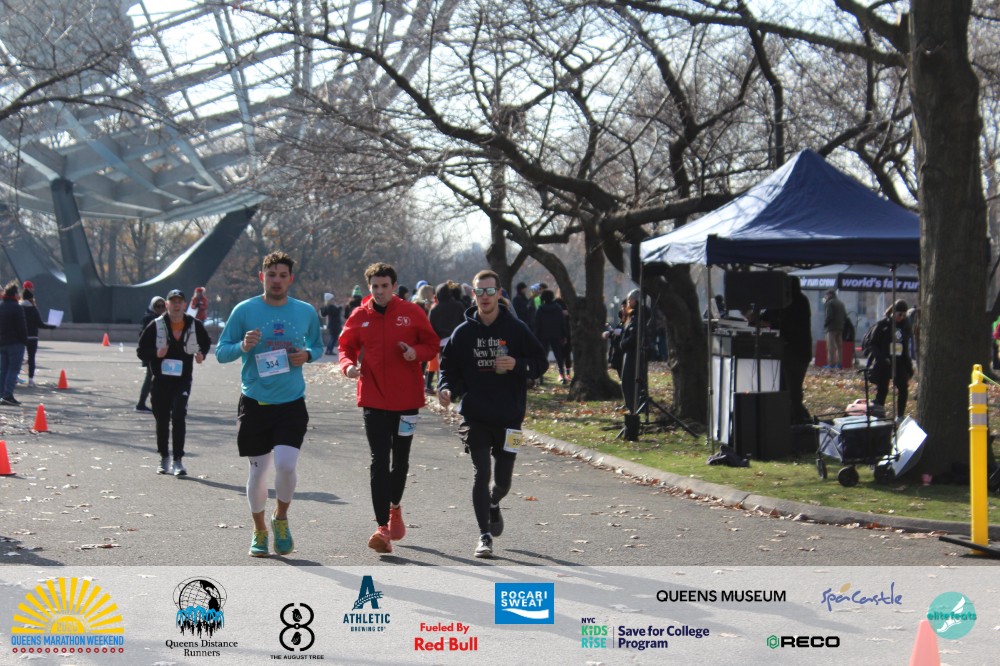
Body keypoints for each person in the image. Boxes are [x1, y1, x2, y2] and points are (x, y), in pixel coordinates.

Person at [215, 251, 324, 558]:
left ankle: (281, 518)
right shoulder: (244, 310)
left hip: (291, 402)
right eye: (271, 275)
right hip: (255, 402)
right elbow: (221, 352)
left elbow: (318, 345)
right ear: (262, 277)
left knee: (287, 466)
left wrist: (308, 355)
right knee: (259, 472)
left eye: (282, 275)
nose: (277, 280)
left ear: (291, 279)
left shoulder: (305, 311)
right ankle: (260, 530)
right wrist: (242, 346)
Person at [437, 270, 547, 558]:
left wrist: (517, 364)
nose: (484, 297)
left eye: (489, 291)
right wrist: (446, 389)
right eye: (479, 292)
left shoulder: (516, 328)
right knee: (481, 473)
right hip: (475, 416)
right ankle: (484, 536)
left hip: (511, 418)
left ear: (499, 294)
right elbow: (448, 369)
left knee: (503, 482)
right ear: (473, 295)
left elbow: (540, 362)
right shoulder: (463, 333)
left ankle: (494, 502)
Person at [339, 262, 439, 555]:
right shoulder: (360, 315)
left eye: (385, 286)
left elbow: (432, 345)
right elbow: (345, 347)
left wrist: (415, 353)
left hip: (407, 400)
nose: (380, 291)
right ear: (369, 287)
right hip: (373, 398)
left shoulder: (412, 312)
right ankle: (382, 527)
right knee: (379, 460)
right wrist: (348, 366)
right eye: (375, 287)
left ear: (394, 286)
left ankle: (395, 507)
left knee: (401, 460)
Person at [137, 289, 211, 477]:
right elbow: (141, 350)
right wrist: (156, 353)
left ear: (184, 305)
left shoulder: (193, 324)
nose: (176, 305)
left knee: (179, 415)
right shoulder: (156, 325)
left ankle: (178, 460)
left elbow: (205, 342)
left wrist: (201, 354)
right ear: (167, 304)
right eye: (173, 301)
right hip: (161, 381)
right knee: (162, 420)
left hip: (182, 380)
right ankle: (164, 457)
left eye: (180, 302)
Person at [763, 277, 813, 424]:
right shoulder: (789, 301)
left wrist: (769, 322)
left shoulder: (797, 302)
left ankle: (798, 421)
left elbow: (789, 324)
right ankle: (794, 419)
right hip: (792, 351)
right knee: (788, 390)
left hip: (796, 352)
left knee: (793, 391)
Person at [868, 299, 914, 420]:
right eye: (899, 314)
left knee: (903, 388)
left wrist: (909, 367)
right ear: (893, 312)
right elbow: (873, 343)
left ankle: (900, 416)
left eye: (904, 315)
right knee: (882, 389)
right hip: (885, 362)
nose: (901, 317)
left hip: (899, 362)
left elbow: (905, 349)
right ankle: (879, 415)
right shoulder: (883, 324)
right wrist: (882, 358)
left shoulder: (905, 326)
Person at [428, 281, 465, 394]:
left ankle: (445, 389)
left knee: (444, 367)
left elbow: (431, 328)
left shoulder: (434, 310)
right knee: (459, 365)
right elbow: (464, 322)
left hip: (442, 342)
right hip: (458, 339)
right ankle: (459, 390)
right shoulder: (458, 305)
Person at [20, 287, 57, 387]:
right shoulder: (33, 309)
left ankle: (15, 377)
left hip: (21, 337)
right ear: (31, 298)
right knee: (31, 358)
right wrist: (51, 326)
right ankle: (30, 380)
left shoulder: (19, 308)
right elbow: (40, 324)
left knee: (18, 358)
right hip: (33, 337)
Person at [136, 296, 166, 412]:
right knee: (150, 378)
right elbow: (143, 338)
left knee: (158, 378)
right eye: (158, 306)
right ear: (153, 307)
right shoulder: (149, 319)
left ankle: (154, 403)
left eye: (163, 306)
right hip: (152, 353)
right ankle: (142, 403)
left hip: (161, 352)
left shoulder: (165, 318)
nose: (161, 308)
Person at [533, 289, 570, 384]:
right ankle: (562, 375)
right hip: (556, 335)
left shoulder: (540, 309)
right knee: (559, 356)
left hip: (543, 336)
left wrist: (536, 337)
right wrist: (564, 335)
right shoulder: (558, 308)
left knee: (543, 356)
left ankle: (540, 376)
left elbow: (537, 324)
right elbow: (562, 323)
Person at [0, 281, 27, 406]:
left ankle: (1, 394)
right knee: (13, 369)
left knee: (3, 370)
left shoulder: (1, 305)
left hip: (2, 343)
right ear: (15, 294)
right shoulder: (17, 307)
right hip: (15, 343)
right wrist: (24, 340)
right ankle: (8, 395)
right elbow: (21, 327)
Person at [823, 289, 847, 369]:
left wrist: (825, 324)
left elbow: (829, 316)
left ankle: (831, 364)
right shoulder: (841, 303)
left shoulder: (829, 303)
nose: (825, 297)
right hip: (840, 328)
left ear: (829, 295)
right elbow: (845, 316)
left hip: (831, 328)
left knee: (831, 347)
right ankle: (839, 364)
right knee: (839, 347)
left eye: (826, 295)